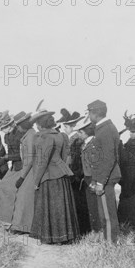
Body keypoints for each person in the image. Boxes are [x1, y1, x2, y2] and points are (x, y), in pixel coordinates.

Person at [29, 110, 80, 244]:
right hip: (62, 175)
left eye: (36, 124)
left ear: (40, 125)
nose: (35, 126)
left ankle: (51, 237)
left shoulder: (44, 138)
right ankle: (64, 236)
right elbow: (64, 157)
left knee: (49, 207)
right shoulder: (61, 136)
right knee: (61, 207)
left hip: (48, 177)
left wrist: (36, 181)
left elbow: (43, 161)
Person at [87, 99, 122, 243]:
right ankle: (109, 241)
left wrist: (100, 181)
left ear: (95, 113)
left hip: (106, 178)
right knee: (104, 212)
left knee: (107, 214)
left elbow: (108, 158)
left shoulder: (106, 129)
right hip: (103, 177)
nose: (89, 116)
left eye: (89, 112)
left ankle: (111, 244)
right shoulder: (104, 127)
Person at [0, 112, 30, 224]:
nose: (2, 130)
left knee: (10, 189)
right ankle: (0, 216)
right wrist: (0, 162)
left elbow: (23, 155)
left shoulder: (20, 134)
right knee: (2, 186)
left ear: (11, 124)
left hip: (23, 167)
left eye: (4, 127)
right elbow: (9, 153)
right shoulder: (6, 136)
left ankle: (9, 219)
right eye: (1, 128)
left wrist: (7, 158)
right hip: (14, 166)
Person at [57, 108, 89, 234]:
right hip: (71, 172)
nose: (68, 128)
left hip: (76, 173)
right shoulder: (69, 138)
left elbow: (76, 158)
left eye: (71, 125)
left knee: (78, 201)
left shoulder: (76, 139)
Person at [11, 112, 37, 233]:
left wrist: (22, 177)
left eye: (18, 125)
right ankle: (20, 225)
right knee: (23, 198)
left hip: (30, 171)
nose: (17, 128)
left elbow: (30, 158)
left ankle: (22, 227)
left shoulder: (31, 135)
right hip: (28, 170)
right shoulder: (29, 134)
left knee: (24, 198)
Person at [76, 117, 102, 236]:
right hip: (87, 178)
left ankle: (97, 230)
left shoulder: (93, 144)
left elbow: (96, 165)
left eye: (79, 132)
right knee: (91, 205)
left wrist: (94, 181)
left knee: (95, 206)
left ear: (84, 132)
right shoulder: (87, 144)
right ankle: (94, 229)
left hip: (92, 178)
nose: (78, 134)